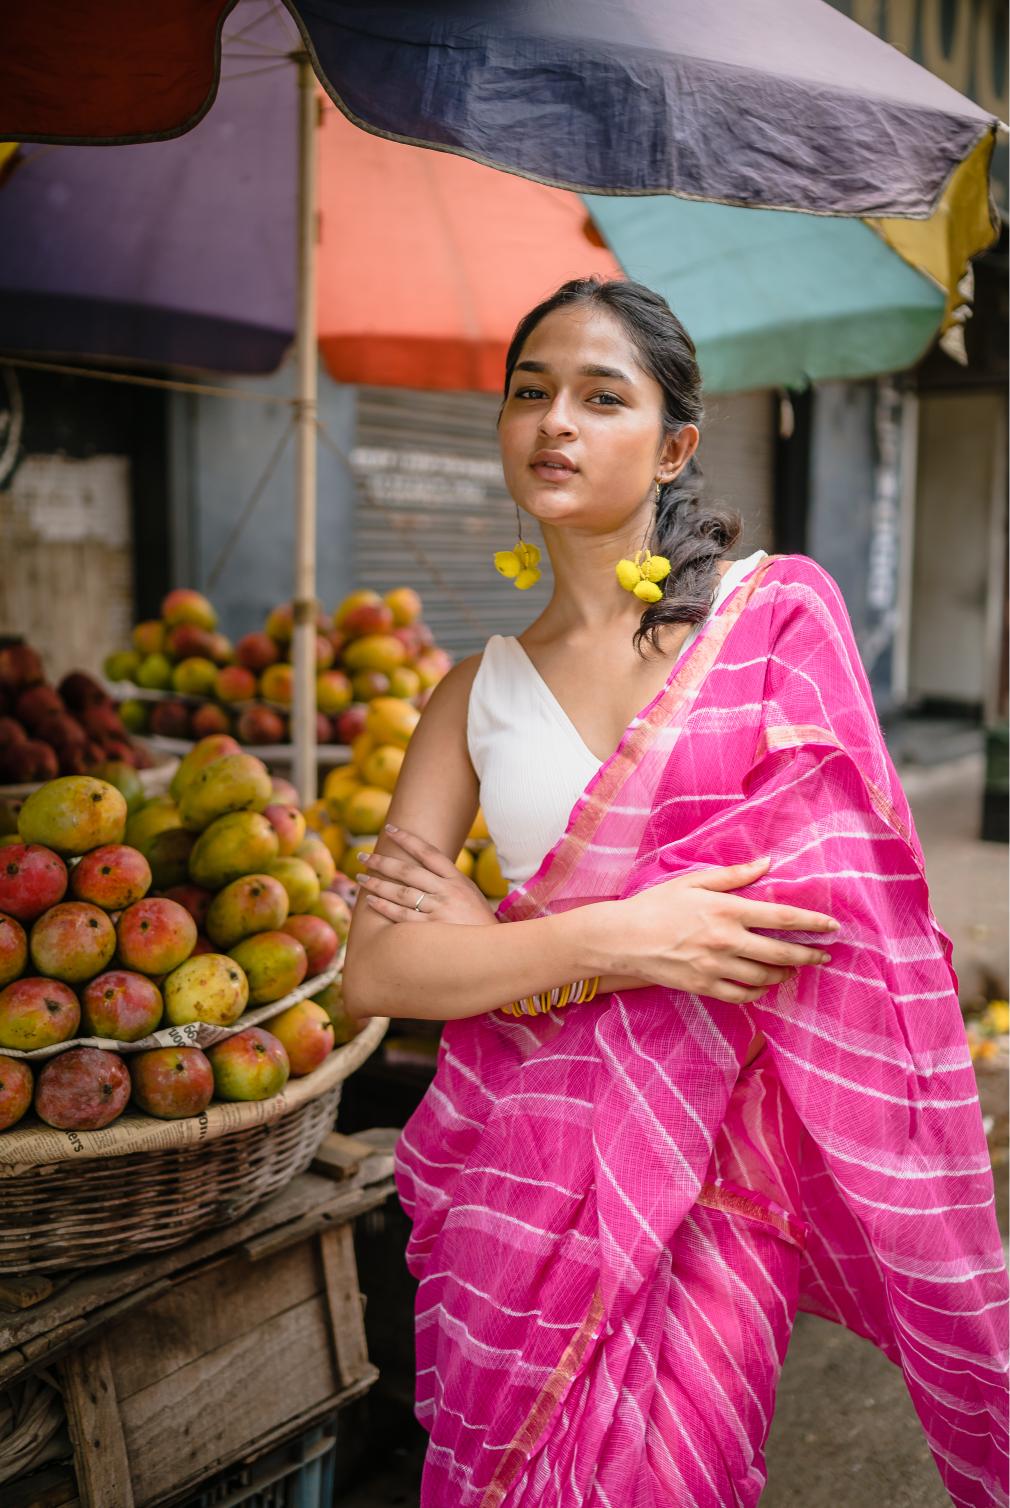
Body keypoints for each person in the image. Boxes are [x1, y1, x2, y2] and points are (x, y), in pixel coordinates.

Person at [343, 278, 1007, 1508]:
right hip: (512, 1175)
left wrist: (497, 945)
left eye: (602, 397)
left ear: (675, 445)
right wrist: (630, 934)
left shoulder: (769, 630)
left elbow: (819, 934)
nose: (555, 421)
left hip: (714, 1176)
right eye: (528, 392)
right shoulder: (469, 695)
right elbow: (379, 973)